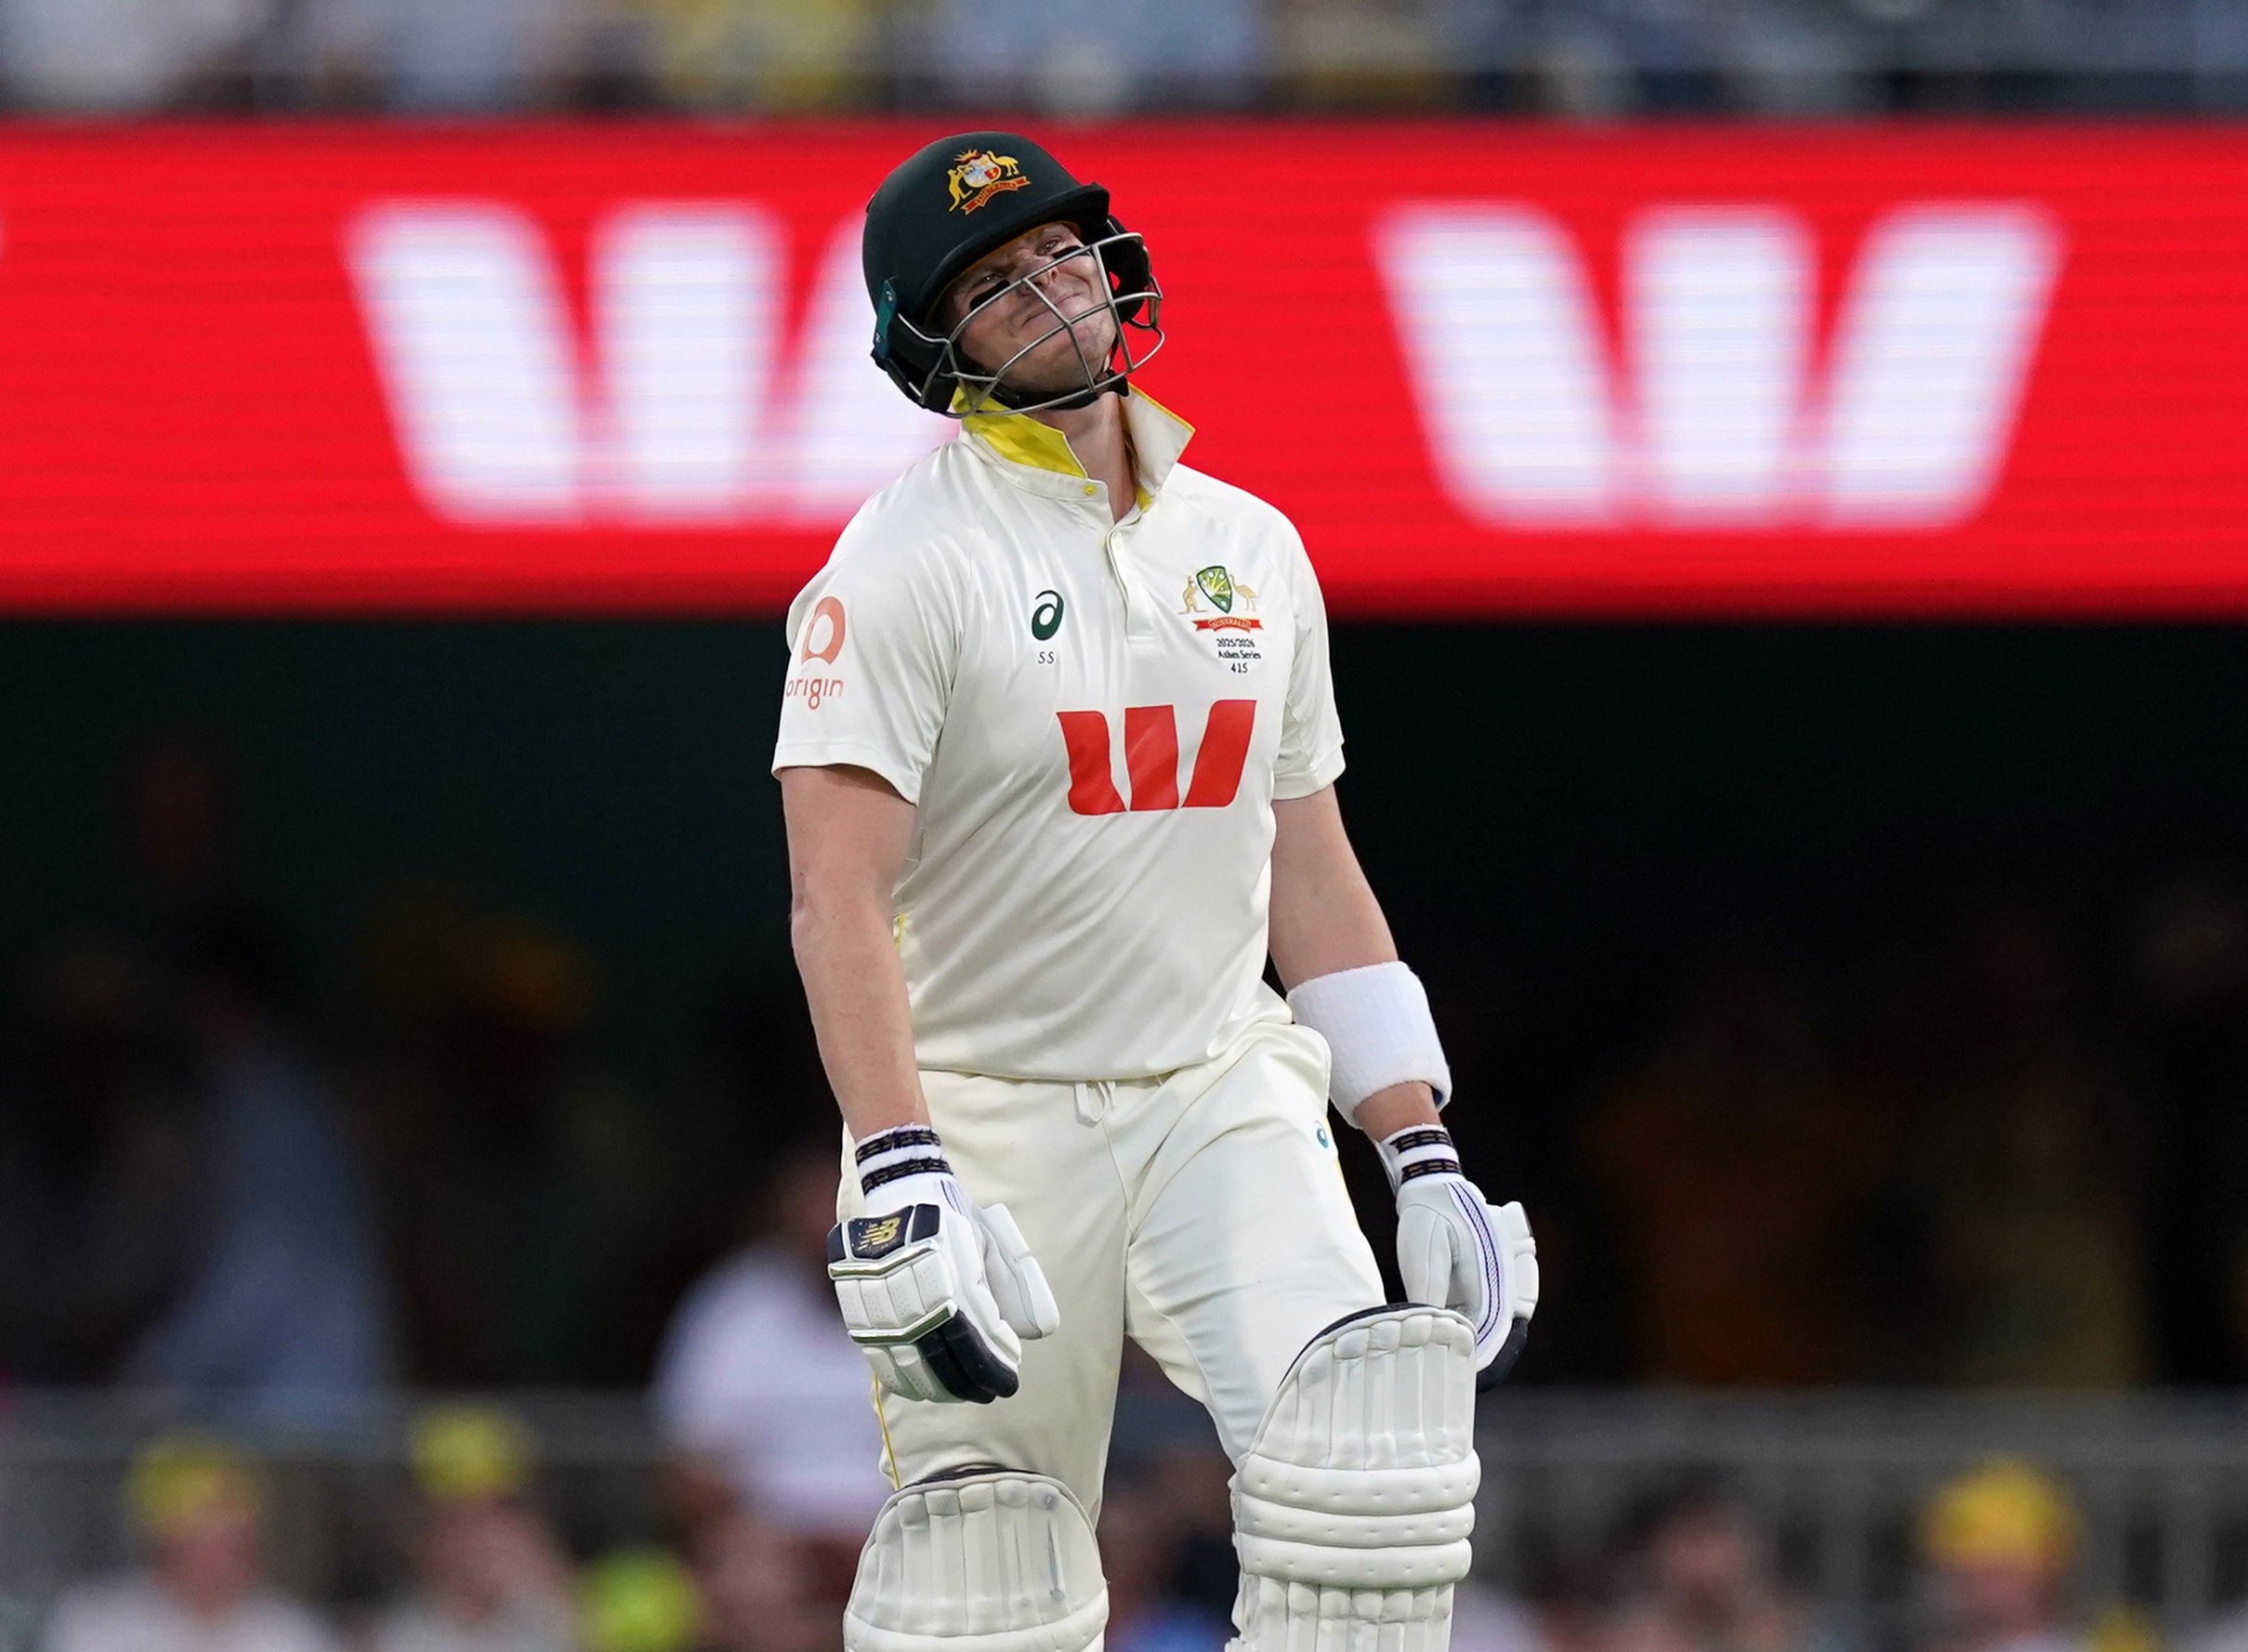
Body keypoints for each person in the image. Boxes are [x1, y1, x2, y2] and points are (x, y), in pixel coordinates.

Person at [774, 130, 1541, 1652]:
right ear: (935, 350)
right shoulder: (896, 566)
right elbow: (834, 901)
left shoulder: (1248, 546)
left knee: (1367, 1467)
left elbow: (1304, 863)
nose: (1050, 291)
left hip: (1213, 1082)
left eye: (1060, 249)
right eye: (994, 283)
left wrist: (1416, 1139)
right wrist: (904, 1160)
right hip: (981, 1114)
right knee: (980, 1585)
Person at [651, 1138, 891, 1564]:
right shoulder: (735, 1306)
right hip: (771, 1542)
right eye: (811, 1208)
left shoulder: (917, 1289)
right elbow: (690, 1464)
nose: (825, 1228)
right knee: (746, 1576)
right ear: (782, 1216)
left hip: (899, 1533)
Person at [41, 1434, 340, 1652]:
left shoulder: (292, 1633)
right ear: (160, 1544)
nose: (227, 1560)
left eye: (239, 1543)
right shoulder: (91, 1623)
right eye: (204, 1540)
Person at [366, 1404, 577, 1652]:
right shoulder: (392, 1638)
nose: (495, 1532)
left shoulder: (560, 1618)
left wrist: (559, 1603)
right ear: (420, 1526)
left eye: (506, 1507)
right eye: (465, 1513)